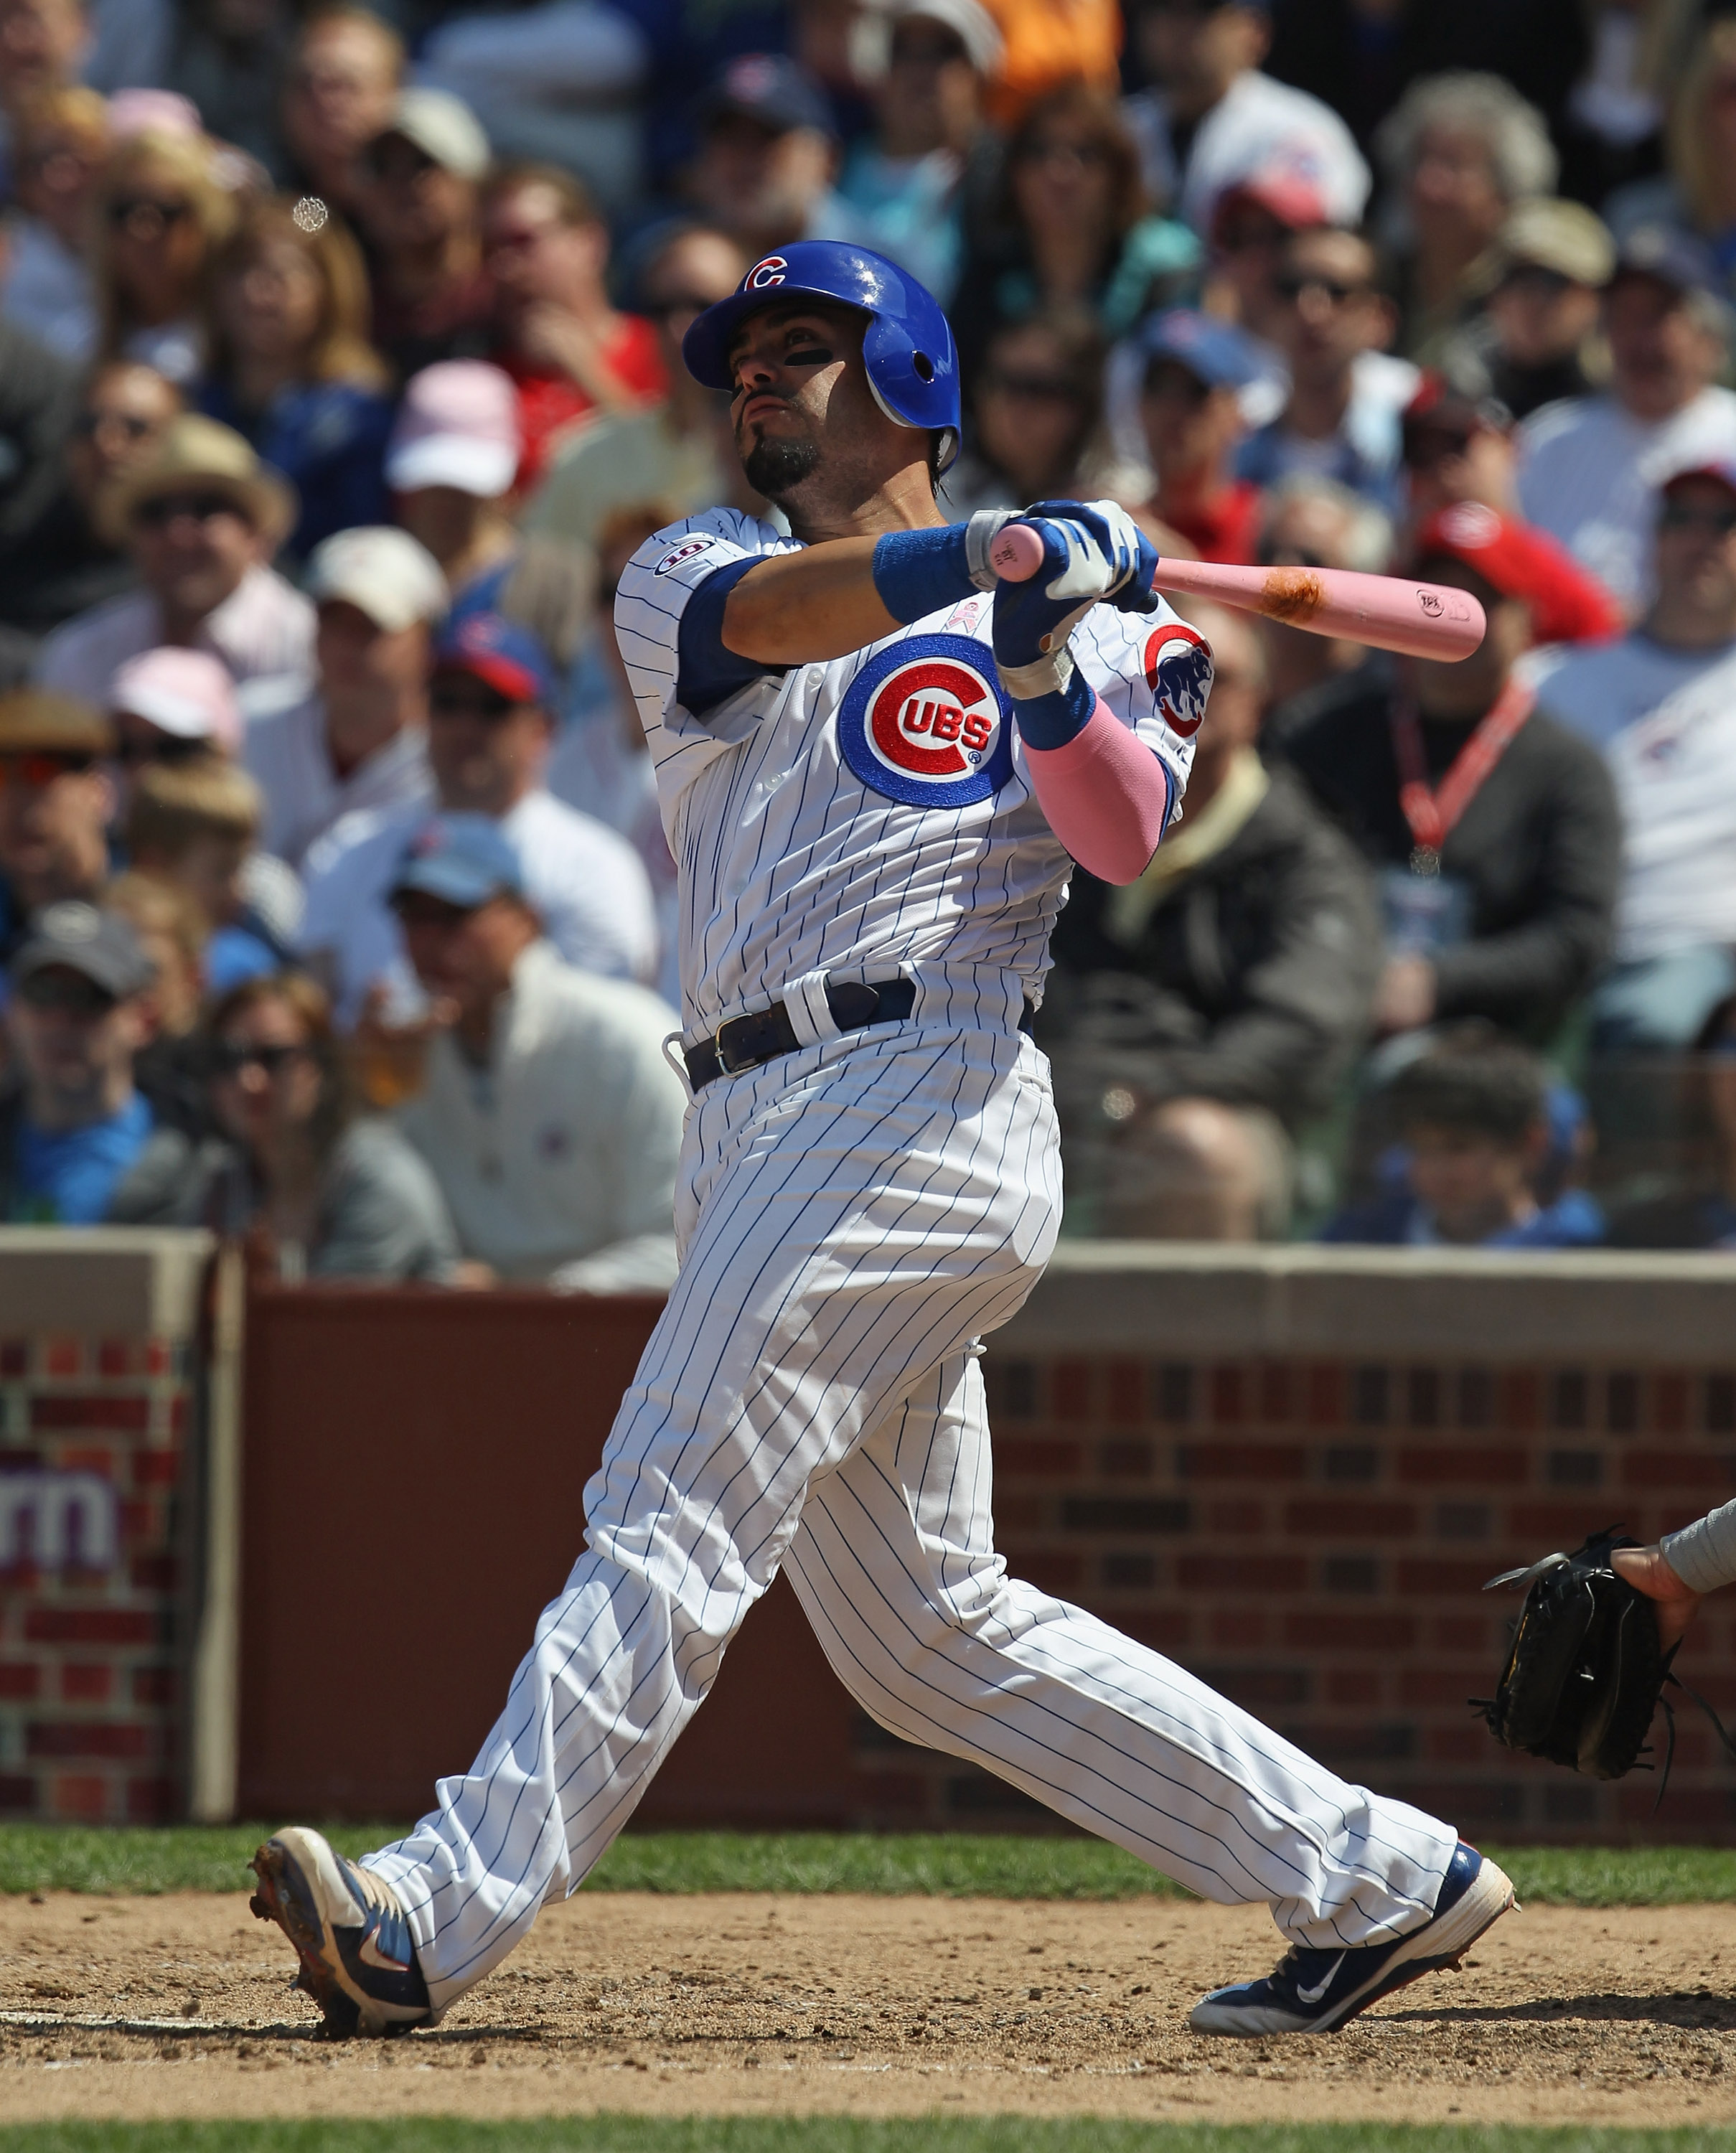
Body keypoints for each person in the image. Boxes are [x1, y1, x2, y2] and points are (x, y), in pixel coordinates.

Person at [248, 236, 1514, 2045]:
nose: (754, 378)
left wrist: (1039, 654)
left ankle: (430, 1917)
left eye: (800, 347)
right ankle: (1381, 1871)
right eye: (741, 354)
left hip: (916, 1086)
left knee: (668, 1494)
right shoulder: (690, 568)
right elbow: (777, 626)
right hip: (750, 1114)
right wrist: (982, 561)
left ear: (909, 374)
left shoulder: (1103, 612)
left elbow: (1121, 830)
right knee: (924, 1633)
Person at [1041, 600, 1380, 1241]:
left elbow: (1301, 1032)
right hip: (1056, 1104)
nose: (1182, 696)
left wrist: (1143, 1095)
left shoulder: (1308, 858)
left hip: (1220, 1114)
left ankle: (1179, 1347)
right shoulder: (1053, 831)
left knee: (1191, 1151)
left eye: (1209, 676)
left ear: (1257, 699)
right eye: (1158, 674)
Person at [1269, 504, 1621, 1046]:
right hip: (1323, 1007)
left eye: (1476, 604)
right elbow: (1268, 874)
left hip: (1488, 1039)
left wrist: (1442, 981)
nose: (1447, 623)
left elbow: (1577, 937)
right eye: (1429, 602)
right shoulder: (1320, 735)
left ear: (1525, 617)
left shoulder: (1568, 768)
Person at [296, 607, 656, 1027]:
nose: (466, 726)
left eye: (492, 707)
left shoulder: (595, 866)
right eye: (448, 702)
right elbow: (311, 1005)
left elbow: (599, 1028)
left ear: (542, 728)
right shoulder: (350, 848)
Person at [388, 812, 685, 1288]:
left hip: (628, 1345)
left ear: (527, 919)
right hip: (473, 1341)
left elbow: (687, 1241)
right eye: (412, 918)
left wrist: (535, 1304)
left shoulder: (623, 1039)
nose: (429, 941)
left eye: (454, 916)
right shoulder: (405, 1060)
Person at [1530, 459, 1736, 1053]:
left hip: (1691, 948)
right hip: (1552, 943)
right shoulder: (1553, 680)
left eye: (1725, 521)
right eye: (1680, 519)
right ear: (1652, 539)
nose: (1701, 540)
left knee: (1648, 1023)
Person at [113, 967, 460, 1278]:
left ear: (322, 1067)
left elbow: (318, 1330)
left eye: (274, 1058)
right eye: (227, 1059)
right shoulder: (221, 1184)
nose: (249, 1080)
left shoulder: (379, 1178)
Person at [1517, 225, 1736, 616]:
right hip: (1565, 667)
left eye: (1655, 318)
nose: (1638, 341)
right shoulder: (1550, 440)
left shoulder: (1729, 432)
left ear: (1706, 336)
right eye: (1623, 318)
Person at [34, 411, 316, 706]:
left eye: (205, 508)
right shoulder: (82, 654)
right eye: (155, 512)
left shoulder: (308, 650)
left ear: (255, 535)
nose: (177, 534)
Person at [950, 80, 1198, 392]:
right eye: (1040, 152)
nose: (1060, 172)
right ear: (1014, 173)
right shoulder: (986, 275)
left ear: (1119, 173)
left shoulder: (1166, 271)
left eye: (1086, 153)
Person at [522, 222, 751, 553]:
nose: (680, 327)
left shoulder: (790, 446)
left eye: (704, 307)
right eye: (663, 309)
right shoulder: (587, 455)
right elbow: (540, 589)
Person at [197, 194, 393, 562]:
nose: (257, 292)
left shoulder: (357, 417)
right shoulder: (195, 403)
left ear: (327, 290)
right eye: (241, 271)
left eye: (281, 275)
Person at [243, 524, 444, 868]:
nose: (346, 644)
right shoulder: (246, 720)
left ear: (426, 641)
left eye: (371, 626)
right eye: (333, 621)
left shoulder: (449, 757)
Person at [385, 360, 593, 670]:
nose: (449, 501)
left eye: (466, 486)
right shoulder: (365, 577)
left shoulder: (560, 580)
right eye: (433, 482)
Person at [1321, 1026, 1604, 1248]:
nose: (1435, 1169)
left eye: (1458, 1148)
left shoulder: (1577, 1246)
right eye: (1420, 1148)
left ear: (1530, 1144)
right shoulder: (1363, 1236)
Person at [479, 162, 667, 494]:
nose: (505, 267)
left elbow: (676, 475)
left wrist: (587, 374)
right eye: (491, 249)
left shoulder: (663, 350)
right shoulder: (486, 381)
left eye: (522, 241)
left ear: (589, 241)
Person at [1402, 380, 1624, 649]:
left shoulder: (1552, 551)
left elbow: (1607, 641)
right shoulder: (1405, 562)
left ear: (1507, 442)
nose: (1443, 467)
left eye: (1456, 444)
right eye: (1422, 455)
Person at [1121, 0, 1369, 240]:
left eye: (1202, 10)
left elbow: (1323, 246)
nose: (1177, 28)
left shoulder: (1300, 129)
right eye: (1161, 8)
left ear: (1255, 31)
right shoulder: (1120, 128)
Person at [1371, 72, 1559, 362]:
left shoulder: (1529, 298)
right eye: (1419, 161)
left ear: (1506, 190)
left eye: (1453, 166)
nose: (1427, 183)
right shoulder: (1378, 284)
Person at [0, 357, 180, 651]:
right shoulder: (21, 528)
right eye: (88, 424)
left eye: (135, 428)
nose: (106, 442)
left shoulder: (182, 564)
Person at [1234, 222, 1414, 515]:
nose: (1310, 310)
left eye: (1337, 290)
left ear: (1381, 320)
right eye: (1291, 288)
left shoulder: (1418, 426)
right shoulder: (1236, 433)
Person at [0, 896, 159, 1221]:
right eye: (42, 993)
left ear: (142, 1019)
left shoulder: (198, 1171)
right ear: (12, 1012)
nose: (61, 1020)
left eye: (89, 997)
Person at [835, 0, 1000, 306]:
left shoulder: (1002, 180)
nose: (920, 70)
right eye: (903, 51)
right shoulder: (830, 161)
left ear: (979, 77)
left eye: (943, 52)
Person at [123, 752, 296, 991]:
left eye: (242, 868)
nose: (239, 891)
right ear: (155, 867)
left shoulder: (246, 970)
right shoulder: (108, 954)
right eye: (221, 871)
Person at [355, 86, 493, 382]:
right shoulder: (346, 307)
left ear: (473, 180)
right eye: (381, 168)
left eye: (423, 164)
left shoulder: (506, 302)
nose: (401, 184)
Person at [1434, 197, 1615, 423]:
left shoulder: (1630, 402)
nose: (1529, 299)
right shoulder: (1456, 403)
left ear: (1597, 298)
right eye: (1511, 278)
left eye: (1550, 280)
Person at [942, 309, 1128, 517]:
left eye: (1035, 388)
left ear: (1083, 405)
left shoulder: (1117, 512)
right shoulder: (940, 491)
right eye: (999, 381)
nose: (1008, 403)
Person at [90, 124, 236, 388]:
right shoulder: (84, 340)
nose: (143, 230)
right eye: (125, 211)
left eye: (166, 210)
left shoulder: (241, 338)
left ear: (204, 219)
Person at [683, 54, 859, 267]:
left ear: (827, 159)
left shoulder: (873, 268)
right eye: (728, 138)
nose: (744, 158)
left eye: (768, 137)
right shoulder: (678, 272)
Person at [1132, 308, 1263, 563]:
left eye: (1196, 392)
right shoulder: (1121, 533)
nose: (1173, 409)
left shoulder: (1265, 530)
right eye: (1157, 387)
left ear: (1234, 410)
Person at [1254, 474, 1393, 715]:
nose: (1280, 575)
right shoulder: (1231, 693)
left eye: (1309, 562)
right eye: (1269, 553)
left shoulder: (1384, 708)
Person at [0, 686, 111, 960]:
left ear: (96, 790)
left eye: (39, 772)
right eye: (0, 776)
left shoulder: (150, 913)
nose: (15, 801)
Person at [3, 83, 106, 361]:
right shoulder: (6, 258)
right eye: (41, 161)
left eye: (78, 158)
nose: (60, 180)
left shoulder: (144, 250)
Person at [278, 4, 400, 220]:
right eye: (306, 85)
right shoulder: (271, 208)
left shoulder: (427, 207)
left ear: (392, 91)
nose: (322, 100)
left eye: (342, 84)